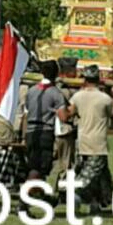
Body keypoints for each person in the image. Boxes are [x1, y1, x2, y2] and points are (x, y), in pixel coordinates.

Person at [58, 65, 113, 216]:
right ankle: (75, 197)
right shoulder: (105, 99)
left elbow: (67, 115)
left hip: (83, 141)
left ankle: (95, 204)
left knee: (99, 177)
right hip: (98, 143)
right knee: (89, 177)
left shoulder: (78, 96)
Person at [24, 59, 68, 189]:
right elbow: (63, 117)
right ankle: (26, 195)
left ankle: (39, 194)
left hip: (30, 131)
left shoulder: (31, 91)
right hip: (45, 131)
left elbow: (26, 115)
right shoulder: (56, 93)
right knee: (39, 168)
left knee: (34, 165)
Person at [47, 57, 79, 194]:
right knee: (65, 163)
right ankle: (60, 191)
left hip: (51, 128)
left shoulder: (53, 86)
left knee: (54, 161)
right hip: (63, 129)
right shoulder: (65, 90)